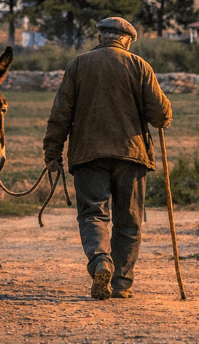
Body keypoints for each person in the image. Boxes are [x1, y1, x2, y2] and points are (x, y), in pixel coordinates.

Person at [43, 17, 172, 300]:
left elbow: (60, 113)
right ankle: (121, 283)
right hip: (132, 155)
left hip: (89, 155)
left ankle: (101, 260)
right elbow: (160, 115)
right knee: (129, 220)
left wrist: (52, 152)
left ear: (100, 36)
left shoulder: (78, 64)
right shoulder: (140, 66)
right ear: (126, 41)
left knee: (93, 214)